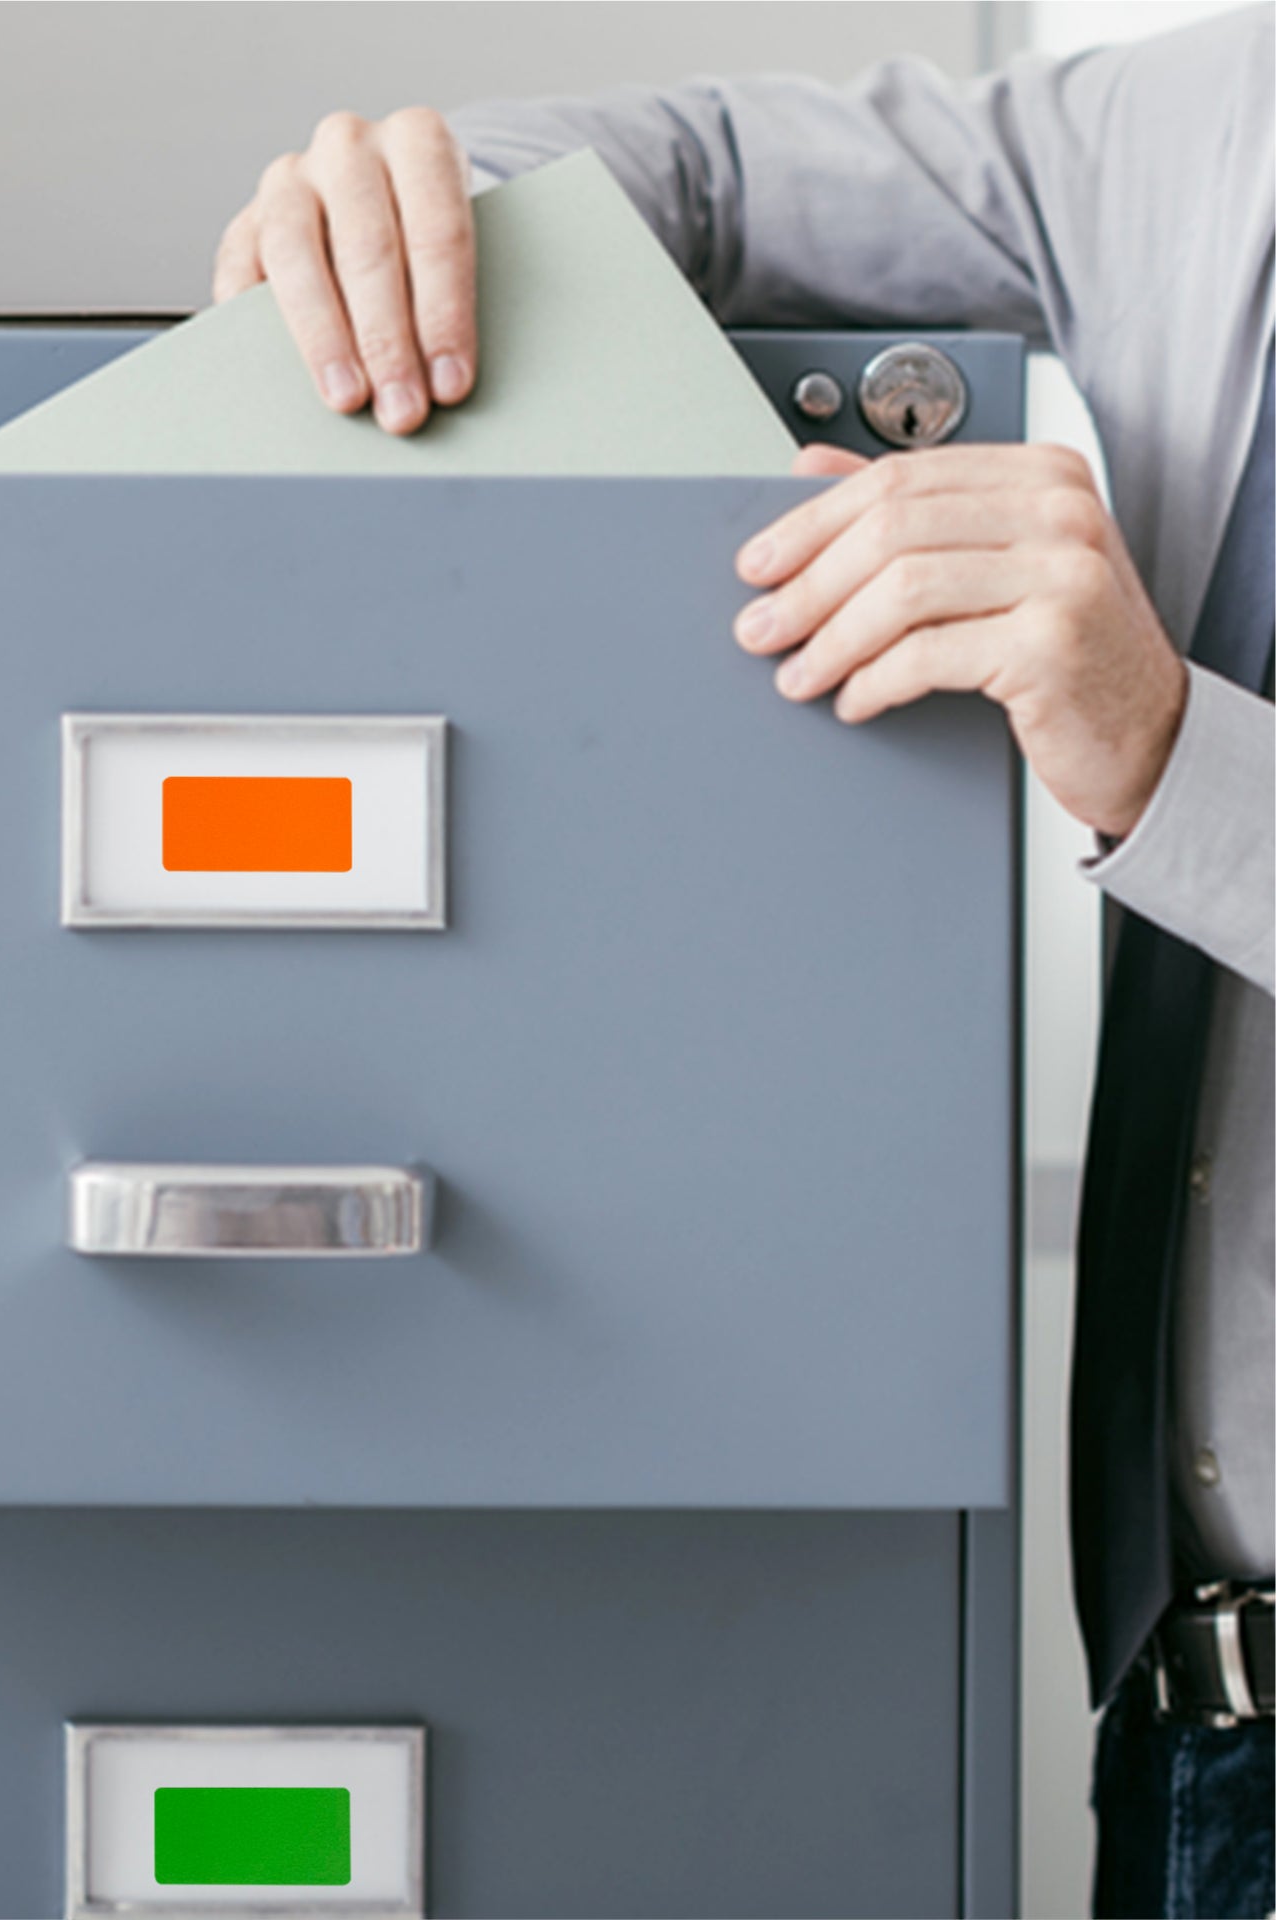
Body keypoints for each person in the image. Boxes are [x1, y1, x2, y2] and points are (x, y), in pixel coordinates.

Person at [212, 9, 1275, 1916]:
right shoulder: (1193, 122)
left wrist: (1170, 755)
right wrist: (409, 213)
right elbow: (695, 172)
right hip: (1199, 1732)